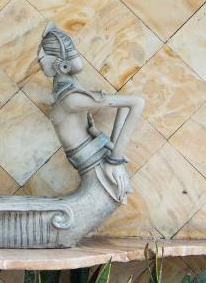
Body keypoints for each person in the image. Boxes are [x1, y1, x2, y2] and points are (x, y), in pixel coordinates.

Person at [37, 22, 144, 204]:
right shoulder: (69, 92)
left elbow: (136, 102)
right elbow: (124, 106)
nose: (39, 62)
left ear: (57, 64)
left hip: (99, 175)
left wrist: (115, 160)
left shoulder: (71, 99)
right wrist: (111, 148)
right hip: (95, 169)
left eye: (42, 58)